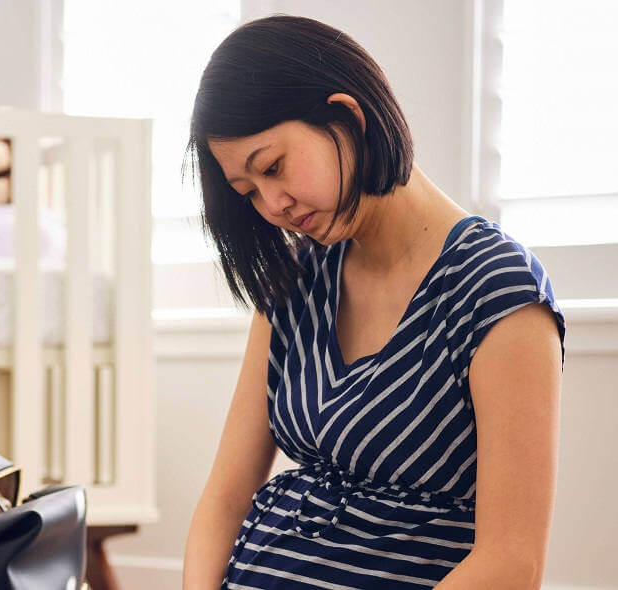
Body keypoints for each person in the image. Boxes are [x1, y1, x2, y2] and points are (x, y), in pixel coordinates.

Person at [181, 15, 567, 589]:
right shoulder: (296, 281)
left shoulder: (496, 290)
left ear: (347, 116)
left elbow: (512, 564)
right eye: (249, 192)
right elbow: (224, 497)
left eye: (273, 167)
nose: (272, 205)